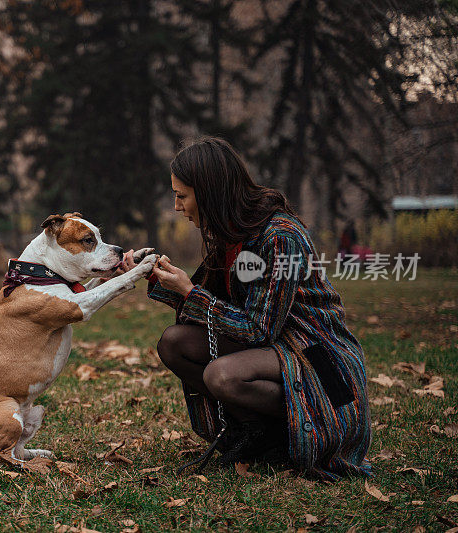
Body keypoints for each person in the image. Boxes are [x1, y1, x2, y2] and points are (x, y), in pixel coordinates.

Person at [116, 137, 371, 481]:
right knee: (174, 342)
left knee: (221, 374)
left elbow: (256, 328)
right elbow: (217, 309)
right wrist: (155, 277)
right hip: (277, 345)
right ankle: (256, 433)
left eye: (181, 196)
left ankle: (293, 429)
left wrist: (189, 291)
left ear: (208, 193)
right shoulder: (234, 234)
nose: (177, 206)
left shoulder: (279, 236)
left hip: (318, 357)